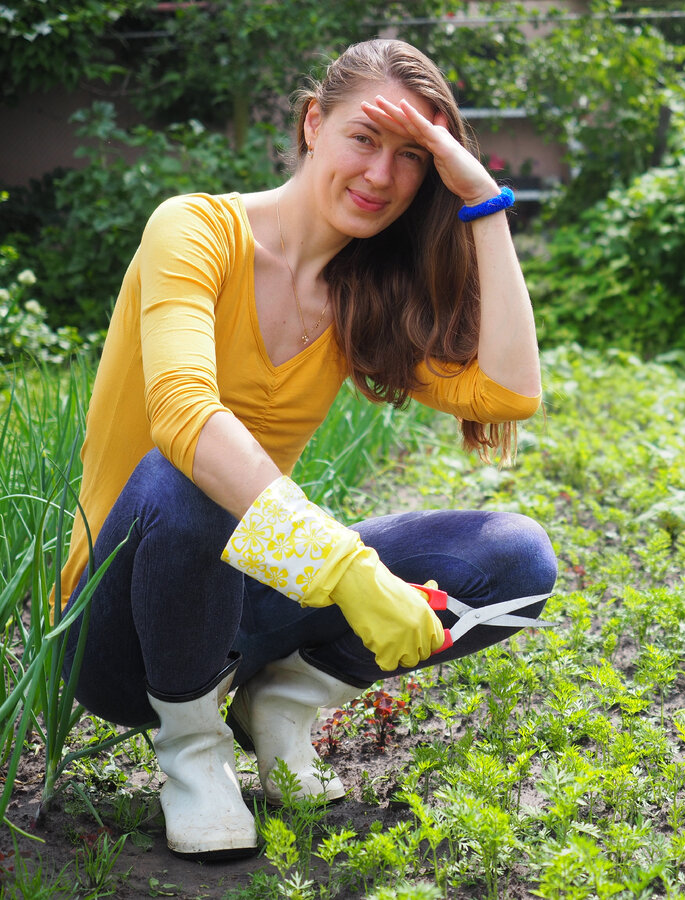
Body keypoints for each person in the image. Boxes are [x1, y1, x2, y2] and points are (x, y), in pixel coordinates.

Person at [59, 38, 557, 861]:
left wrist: (484, 200)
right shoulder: (195, 230)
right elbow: (183, 413)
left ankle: (278, 707)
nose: (382, 176)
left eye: (412, 157)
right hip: (122, 628)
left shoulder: (363, 295)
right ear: (313, 123)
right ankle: (191, 751)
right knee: (190, 474)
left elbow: (509, 393)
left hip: (244, 604)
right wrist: (349, 571)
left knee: (514, 558)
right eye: (364, 138)